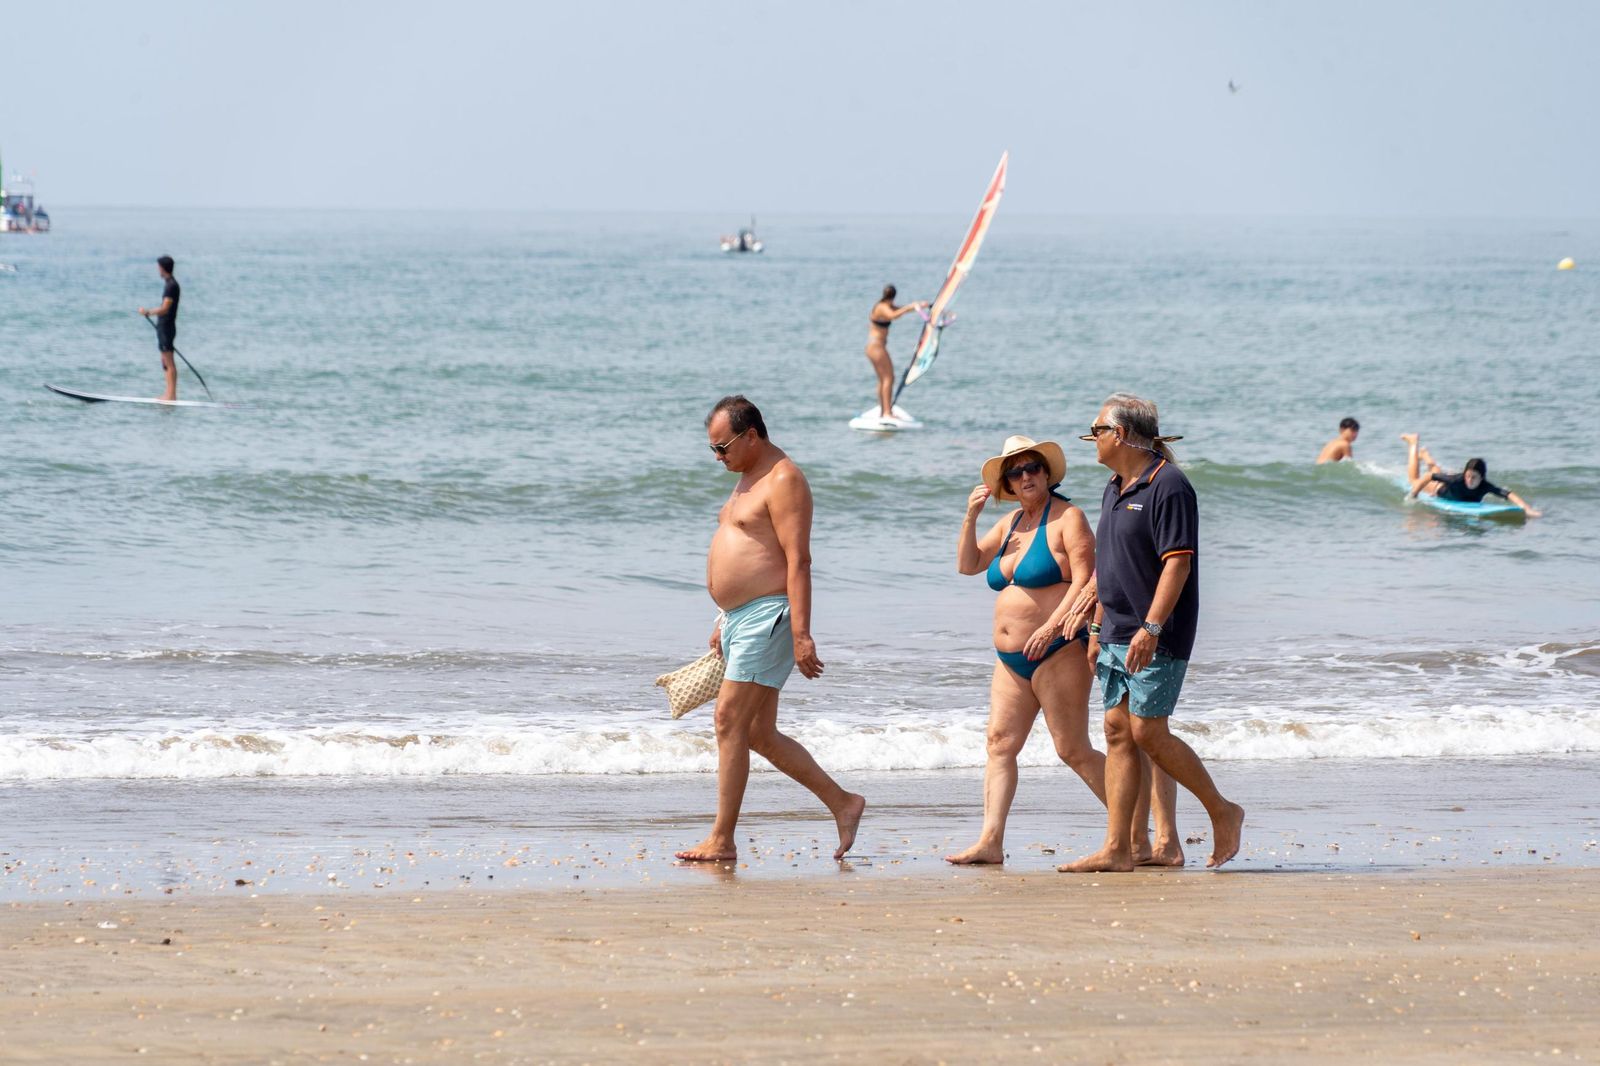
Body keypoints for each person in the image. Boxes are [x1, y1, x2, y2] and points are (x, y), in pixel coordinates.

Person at [947, 436, 1181, 866]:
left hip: (1057, 651)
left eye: (1033, 467)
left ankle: (1132, 835)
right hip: (1010, 660)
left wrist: (1054, 626)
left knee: (1071, 749)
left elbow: (1088, 579)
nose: (1026, 476)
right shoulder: (1011, 525)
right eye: (1016, 473)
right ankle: (990, 841)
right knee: (1000, 744)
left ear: (1046, 472)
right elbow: (968, 564)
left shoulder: (1068, 517)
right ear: (1008, 485)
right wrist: (970, 516)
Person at [676, 395, 867, 863]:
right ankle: (843, 802)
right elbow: (747, 548)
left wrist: (802, 633)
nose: (718, 457)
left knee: (728, 721)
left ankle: (722, 838)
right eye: (713, 450)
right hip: (743, 618)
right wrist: (724, 614)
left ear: (752, 435)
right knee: (759, 732)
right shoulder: (746, 478)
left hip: (770, 616)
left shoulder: (784, 479)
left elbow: (797, 559)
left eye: (723, 447)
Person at [1061, 393, 1244, 873]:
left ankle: (1222, 809)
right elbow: (1108, 564)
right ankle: (1119, 848)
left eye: (1095, 430)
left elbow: (1177, 564)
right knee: (1117, 732)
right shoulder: (1115, 486)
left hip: (1157, 632)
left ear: (1118, 434)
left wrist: (1151, 627)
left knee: (1148, 730)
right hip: (1117, 629)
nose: (1091, 440)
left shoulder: (1170, 486)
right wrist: (1098, 624)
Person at [1402, 434, 1540, 515]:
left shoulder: (1485, 486)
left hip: (1449, 485)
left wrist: (1527, 509)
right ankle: (1413, 443)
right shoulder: (1457, 479)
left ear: (1482, 477)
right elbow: (1428, 477)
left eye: (1474, 477)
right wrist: (1414, 494)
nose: (1469, 480)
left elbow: (1508, 494)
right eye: (1468, 475)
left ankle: (1426, 456)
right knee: (1413, 480)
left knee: (1438, 473)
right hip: (1438, 490)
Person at [864, 285, 927, 418]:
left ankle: (883, 411)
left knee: (883, 379)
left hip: (873, 347)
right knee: (889, 378)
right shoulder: (882, 307)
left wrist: (917, 306)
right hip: (877, 347)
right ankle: (887, 412)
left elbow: (899, 309)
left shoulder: (884, 305)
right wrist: (909, 307)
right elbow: (893, 315)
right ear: (893, 296)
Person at [137, 256, 181, 402]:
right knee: (165, 362)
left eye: (158, 267)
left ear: (162, 268)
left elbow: (165, 309)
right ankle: (168, 394)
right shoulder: (169, 284)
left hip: (167, 327)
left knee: (169, 361)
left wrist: (148, 312)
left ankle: (171, 395)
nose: (157, 269)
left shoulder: (171, 286)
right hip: (164, 327)